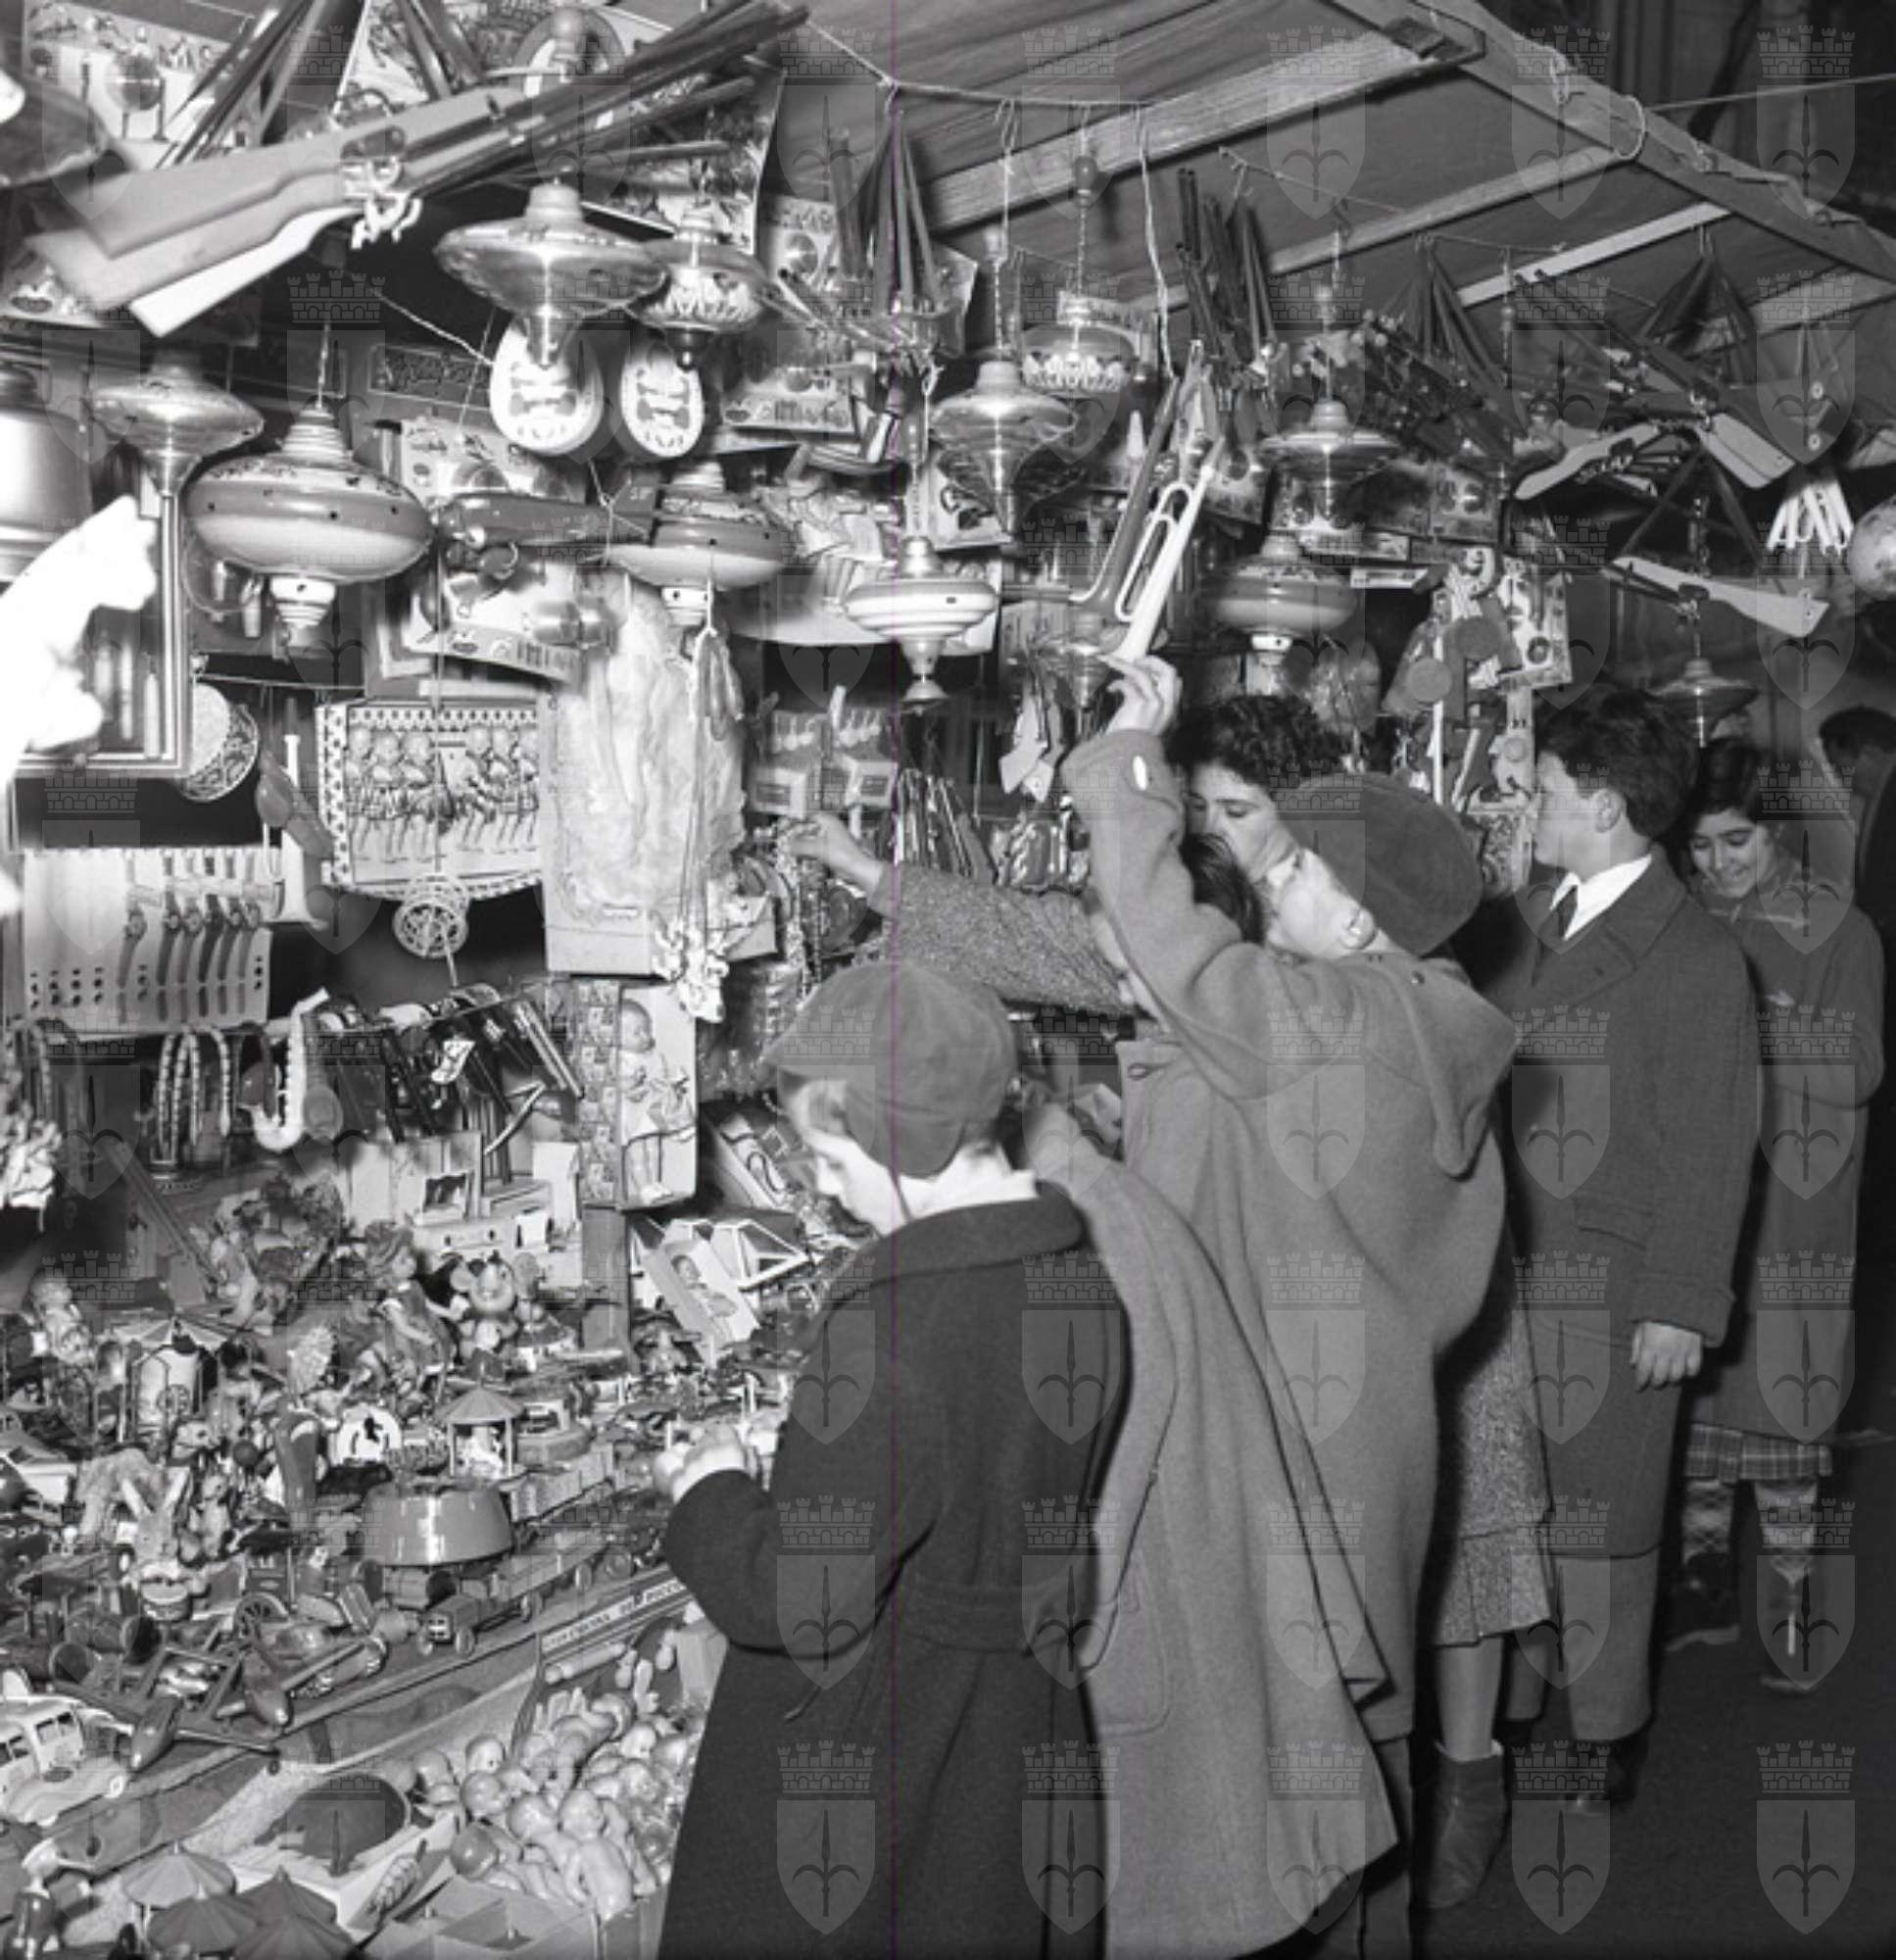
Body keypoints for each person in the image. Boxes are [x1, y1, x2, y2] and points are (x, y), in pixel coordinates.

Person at [1063, 655, 1519, 1956]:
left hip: (1281, 1434)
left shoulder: (1339, 1022)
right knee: (1359, 1744)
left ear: (1365, 919)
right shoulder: (1430, 1021)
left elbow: (1180, 954)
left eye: (1298, 870)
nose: (1271, 879)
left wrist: (1128, 762)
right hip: (1373, 1435)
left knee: (1289, 1759)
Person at [657, 963, 1126, 1960]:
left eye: (834, 1158)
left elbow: (790, 1600)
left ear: (904, 1140)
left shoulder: (893, 1332)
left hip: (889, 1745)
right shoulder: (1078, 1277)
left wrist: (710, 1490)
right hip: (1014, 1718)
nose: (826, 1186)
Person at [1019, 841, 1397, 1958]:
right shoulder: (1198, 1065)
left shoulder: (1210, 1086)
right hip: (1282, 1437)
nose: (1120, 990)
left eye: (1130, 965)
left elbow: (1168, 1283)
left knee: (1270, 1786)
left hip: (1280, 1443)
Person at [1460, 688, 1759, 1812]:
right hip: (1503, 1265)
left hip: (1617, 1278)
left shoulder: (1695, 956)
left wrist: (1681, 1299)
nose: (1528, 805)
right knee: (1513, 1496)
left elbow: (1714, 1141)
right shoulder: (1528, 915)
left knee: (1605, 1516)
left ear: (1603, 803)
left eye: (1542, 789)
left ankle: (1605, 1731)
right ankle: (1513, 1706)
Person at [1665, 740, 1883, 1687]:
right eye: (1699, 845)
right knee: (1699, 1415)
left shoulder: (1839, 927)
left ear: (1776, 831)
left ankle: (1792, 1610)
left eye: (1736, 842)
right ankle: (1704, 1589)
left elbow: (1859, 1067)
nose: (1716, 864)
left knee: (1786, 1419)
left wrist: (1759, 1025)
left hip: (1794, 1208)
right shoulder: (1677, 919)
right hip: (1701, 1198)